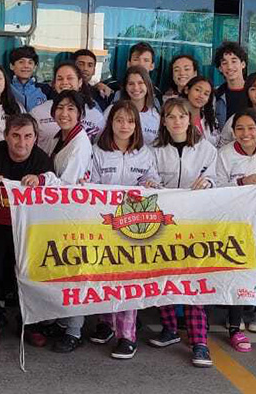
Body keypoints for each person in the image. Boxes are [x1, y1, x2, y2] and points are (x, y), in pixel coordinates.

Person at [0, 114, 57, 348]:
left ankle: (30, 322)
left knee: (32, 273)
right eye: (16, 136)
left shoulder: (42, 161)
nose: (22, 143)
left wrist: (41, 182)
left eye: (28, 136)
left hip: (29, 228)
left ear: (36, 138)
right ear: (6, 136)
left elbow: (51, 206)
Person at [86, 100, 159, 359]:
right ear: (110, 123)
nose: (124, 125)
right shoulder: (97, 151)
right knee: (104, 277)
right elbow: (89, 184)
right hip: (104, 225)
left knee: (128, 280)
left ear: (137, 125)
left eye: (130, 121)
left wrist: (151, 183)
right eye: (119, 120)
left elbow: (154, 183)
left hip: (133, 229)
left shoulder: (146, 153)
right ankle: (106, 323)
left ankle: (127, 336)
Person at [148, 97, 217, 367]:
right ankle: (169, 329)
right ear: (163, 121)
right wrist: (151, 182)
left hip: (194, 224)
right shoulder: (153, 149)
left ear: (190, 119)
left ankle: (199, 341)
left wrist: (209, 181)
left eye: (182, 116)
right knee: (163, 276)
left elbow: (217, 178)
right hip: (163, 224)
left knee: (193, 281)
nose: (177, 121)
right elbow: (147, 177)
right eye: (171, 116)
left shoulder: (207, 149)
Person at [216, 108, 256, 351]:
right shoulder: (224, 154)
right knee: (239, 267)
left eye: (251, 128)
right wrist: (242, 182)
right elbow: (217, 186)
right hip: (236, 218)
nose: (245, 133)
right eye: (240, 128)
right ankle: (234, 325)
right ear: (232, 132)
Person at [31, 61, 104, 151]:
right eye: (60, 79)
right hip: (46, 164)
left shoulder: (95, 115)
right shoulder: (38, 112)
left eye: (70, 78)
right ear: (54, 84)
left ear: (80, 82)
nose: (65, 82)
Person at [104, 66, 160, 146]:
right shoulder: (112, 110)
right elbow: (101, 139)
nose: (136, 88)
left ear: (148, 85)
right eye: (131, 84)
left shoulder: (156, 116)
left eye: (140, 83)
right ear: (125, 87)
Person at [96, 42, 160, 109]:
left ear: (152, 66)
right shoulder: (112, 87)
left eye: (146, 60)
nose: (140, 64)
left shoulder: (157, 94)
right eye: (136, 59)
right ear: (128, 63)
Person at [213, 41, 249, 127]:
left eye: (234, 61)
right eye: (224, 63)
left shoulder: (254, 91)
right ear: (220, 68)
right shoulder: (216, 95)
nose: (229, 67)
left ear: (243, 64)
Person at [7, 45, 52, 111]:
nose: (26, 66)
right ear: (12, 66)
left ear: (35, 67)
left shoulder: (46, 90)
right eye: (21, 62)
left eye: (30, 63)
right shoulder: (6, 88)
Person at [181, 76, 219, 146]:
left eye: (206, 94)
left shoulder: (210, 119)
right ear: (187, 90)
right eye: (197, 90)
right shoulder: (177, 118)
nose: (201, 96)